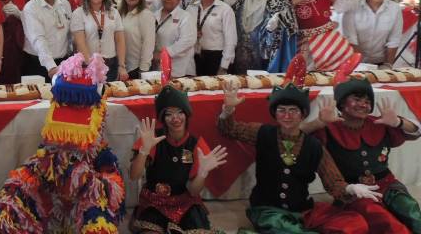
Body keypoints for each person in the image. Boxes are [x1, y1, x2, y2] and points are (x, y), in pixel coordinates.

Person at [219, 74, 379, 234]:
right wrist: (228, 109)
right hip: (267, 210)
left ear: (303, 114)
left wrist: (350, 188)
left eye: (293, 111)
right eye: (282, 111)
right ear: (275, 114)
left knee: (355, 224)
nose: (287, 116)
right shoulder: (262, 133)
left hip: (303, 210)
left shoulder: (314, 146)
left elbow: (334, 182)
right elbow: (230, 129)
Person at [0, 54, 124, 232]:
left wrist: (86, 179)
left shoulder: (100, 147)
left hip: (86, 181)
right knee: (13, 195)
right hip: (52, 178)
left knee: (98, 216)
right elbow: (43, 159)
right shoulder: (52, 138)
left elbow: (112, 186)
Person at [302, 78, 421, 233]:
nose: (363, 104)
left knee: (411, 210)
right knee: (385, 220)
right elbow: (291, 137)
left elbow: (416, 131)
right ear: (342, 103)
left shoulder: (379, 123)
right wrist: (318, 123)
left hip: (388, 184)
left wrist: (398, 122)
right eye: (357, 99)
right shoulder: (329, 128)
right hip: (354, 190)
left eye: (367, 101)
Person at [129, 86, 227, 233]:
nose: (175, 118)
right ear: (163, 118)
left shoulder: (196, 145)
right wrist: (144, 150)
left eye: (180, 112)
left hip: (185, 202)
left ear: (186, 114)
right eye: (169, 114)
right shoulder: (152, 138)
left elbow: (194, 192)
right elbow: (133, 176)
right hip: (154, 202)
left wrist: (203, 173)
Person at [223, 0, 297, 74]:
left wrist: (273, 31)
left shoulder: (280, 0)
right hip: (233, 59)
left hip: (264, 64)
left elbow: (288, 38)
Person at [70, 0, 128, 82]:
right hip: (88, 66)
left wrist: (121, 66)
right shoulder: (79, 13)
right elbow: (80, 43)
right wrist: (91, 66)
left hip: (111, 66)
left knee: (109, 97)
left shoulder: (113, 12)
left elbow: (120, 41)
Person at [342, 0, 403, 68]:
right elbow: (351, 39)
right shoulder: (353, 7)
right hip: (354, 62)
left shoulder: (395, 8)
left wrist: (387, 65)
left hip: (380, 62)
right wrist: (361, 65)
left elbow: (394, 40)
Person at [22, 0, 73, 80]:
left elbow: (70, 34)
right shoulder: (31, 8)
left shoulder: (64, 4)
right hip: (38, 64)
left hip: (63, 63)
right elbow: (38, 39)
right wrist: (50, 66)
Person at [188, 0, 237, 76]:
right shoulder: (191, 7)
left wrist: (224, 66)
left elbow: (231, 40)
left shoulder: (225, 10)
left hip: (215, 58)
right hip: (193, 56)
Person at [154, 0, 197, 78]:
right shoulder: (154, 15)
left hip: (180, 70)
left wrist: (164, 54)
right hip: (159, 69)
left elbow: (188, 41)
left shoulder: (185, 17)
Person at [118, 0, 156, 80]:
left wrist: (143, 69)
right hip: (121, 66)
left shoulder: (145, 15)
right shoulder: (120, 13)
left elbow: (148, 43)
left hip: (136, 68)